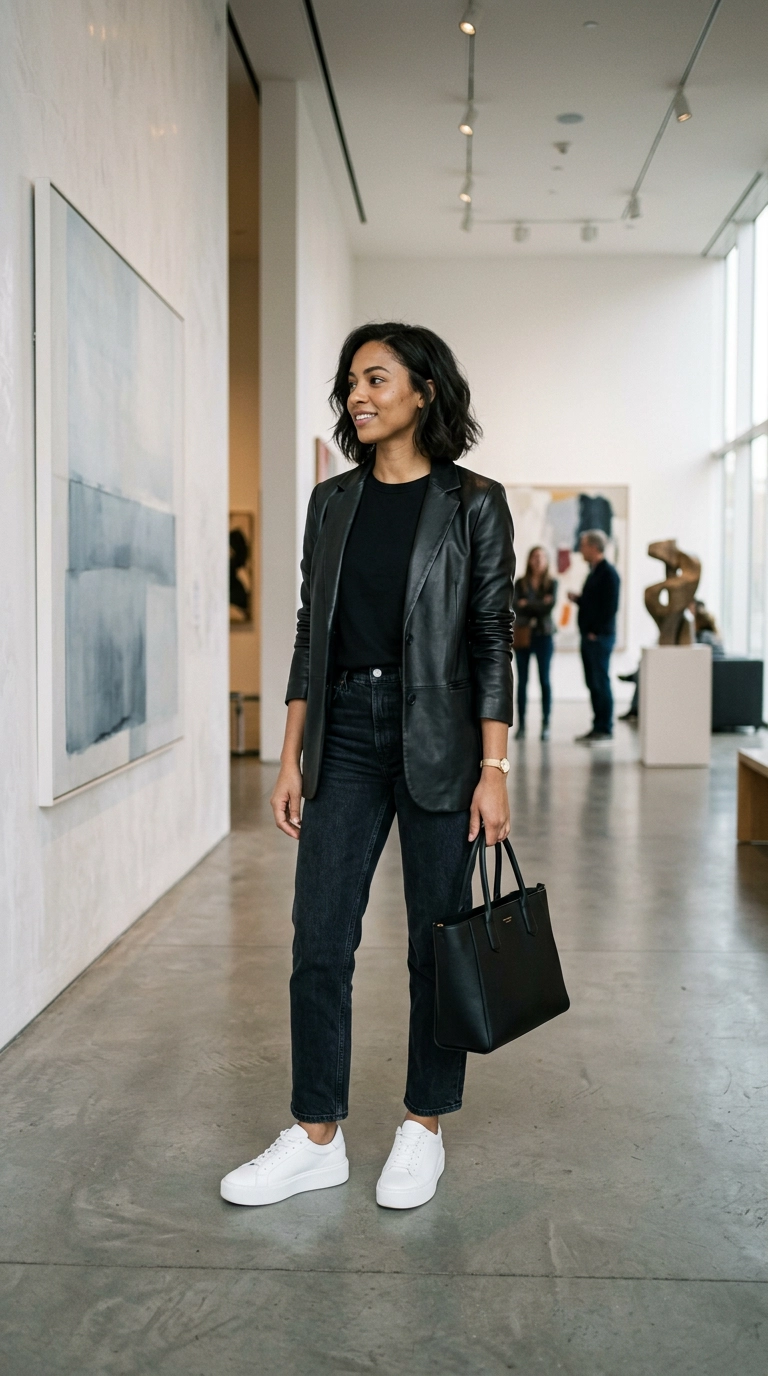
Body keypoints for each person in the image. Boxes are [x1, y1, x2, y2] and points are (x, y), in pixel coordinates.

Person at [220, 323, 516, 1212]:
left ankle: (423, 1126)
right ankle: (317, 1135)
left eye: (377, 378)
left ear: (423, 390)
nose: (359, 393)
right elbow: (312, 634)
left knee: (438, 941)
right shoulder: (332, 501)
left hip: (439, 735)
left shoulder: (473, 501)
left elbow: (491, 639)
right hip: (344, 730)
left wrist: (494, 765)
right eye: (352, 379)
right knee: (319, 939)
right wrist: (290, 759)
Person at [619, 600, 724, 722]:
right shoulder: (709, 635)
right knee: (644, 668)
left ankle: (634, 684)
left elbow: (693, 654)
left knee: (644, 671)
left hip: (701, 672)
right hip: (703, 670)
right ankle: (635, 678)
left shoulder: (704, 637)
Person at [568, 530, 620, 743]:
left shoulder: (608, 573)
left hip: (598, 638)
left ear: (594, 547)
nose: (581, 549)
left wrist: (595, 632)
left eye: (583, 545)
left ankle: (604, 727)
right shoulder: (595, 571)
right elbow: (594, 603)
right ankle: (598, 725)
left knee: (600, 681)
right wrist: (580, 600)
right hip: (591, 637)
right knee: (593, 682)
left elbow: (610, 608)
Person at [513, 547, 557, 741]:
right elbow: (516, 606)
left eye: (541, 557)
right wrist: (538, 604)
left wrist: (528, 604)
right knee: (522, 682)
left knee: (544, 681)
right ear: (529, 560)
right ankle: (521, 725)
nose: (538, 561)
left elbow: (548, 608)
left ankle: (546, 724)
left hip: (543, 635)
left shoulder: (552, 583)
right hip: (523, 635)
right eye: (535, 557)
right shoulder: (520, 583)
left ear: (547, 561)